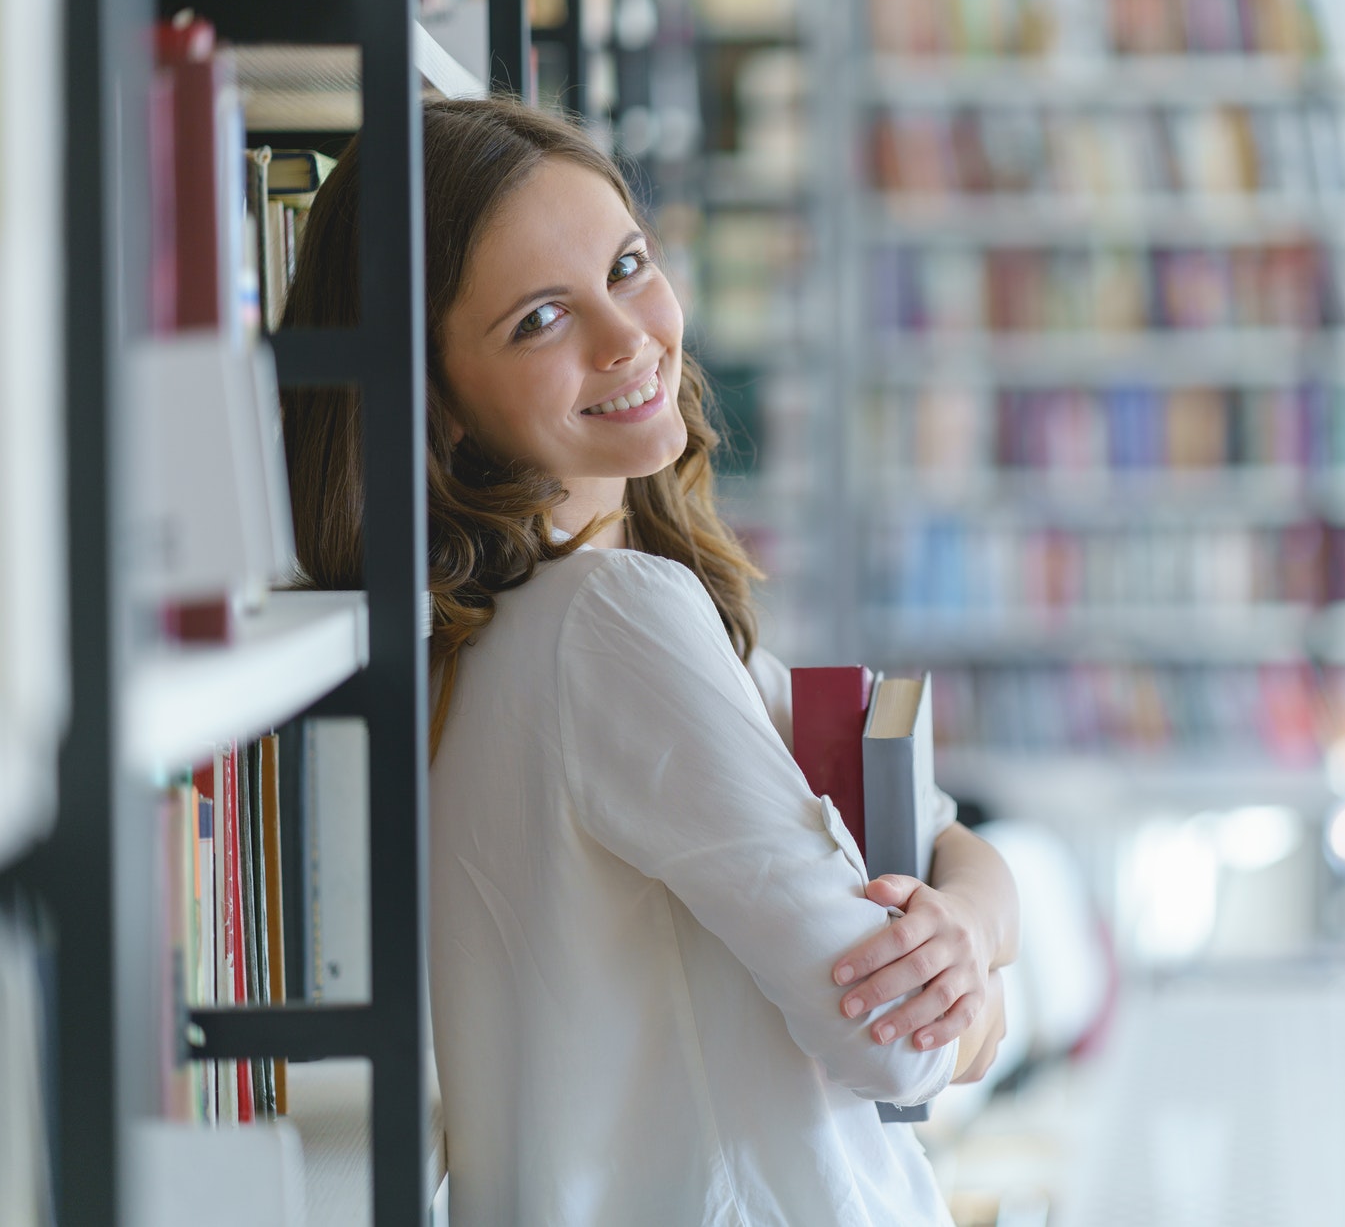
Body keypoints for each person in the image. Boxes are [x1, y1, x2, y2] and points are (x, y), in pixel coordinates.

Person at [279, 97, 1020, 1225]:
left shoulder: (501, 626)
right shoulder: (612, 617)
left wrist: (966, 926)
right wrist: (980, 998)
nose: (626, 337)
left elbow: (943, 832)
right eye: (538, 318)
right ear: (436, 402)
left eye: (627, 265)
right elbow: (902, 1047)